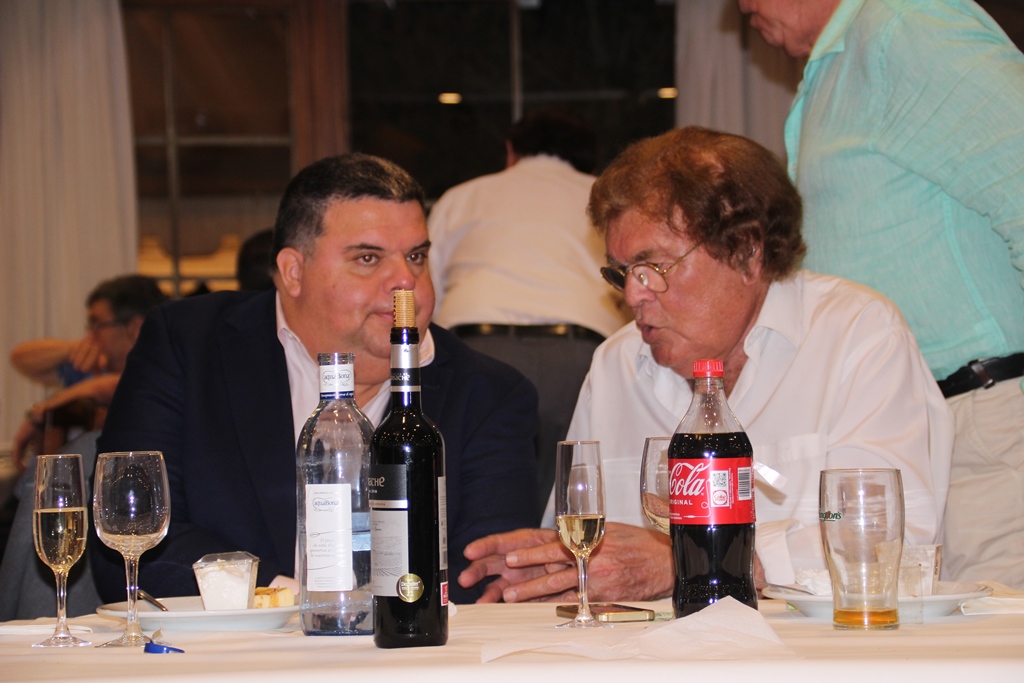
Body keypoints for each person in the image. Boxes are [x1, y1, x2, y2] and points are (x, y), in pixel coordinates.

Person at [457, 126, 953, 604]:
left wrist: (688, 562)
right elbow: (581, 545)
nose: (632, 295)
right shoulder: (616, 365)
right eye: (623, 272)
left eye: (654, 268)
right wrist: (550, 568)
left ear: (746, 252)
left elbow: (891, 541)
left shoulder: (856, 335)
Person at [91, 153, 539, 605]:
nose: (406, 281)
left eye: (416, 256)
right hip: (229, 646)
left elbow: (483, 579)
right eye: (369, 258)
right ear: (294, 272)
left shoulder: (490, 396)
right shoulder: (188, 346)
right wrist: (292, 603)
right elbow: (132, 542)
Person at [739, 0, 1024, 588]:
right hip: (927, 428)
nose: (739, 7)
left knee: (998, 637)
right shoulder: (842, 61)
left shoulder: (907, 27)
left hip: (987, 422)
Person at [428, 108, 630, 519]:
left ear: (510, 150)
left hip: (479, 349)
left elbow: (427, 285)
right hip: (577, 352)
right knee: (568, 497)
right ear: (591, 159)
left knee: (476, 490)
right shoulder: (603, 199)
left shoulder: (463, 196)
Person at [8, 275, 167, 469]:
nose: (89, 336)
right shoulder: (94, 366)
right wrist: (73, 349)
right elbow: (20, 357)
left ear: (134, 328)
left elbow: (108, 386)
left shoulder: (161, 371)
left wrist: (41, 413)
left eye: (97, 326)